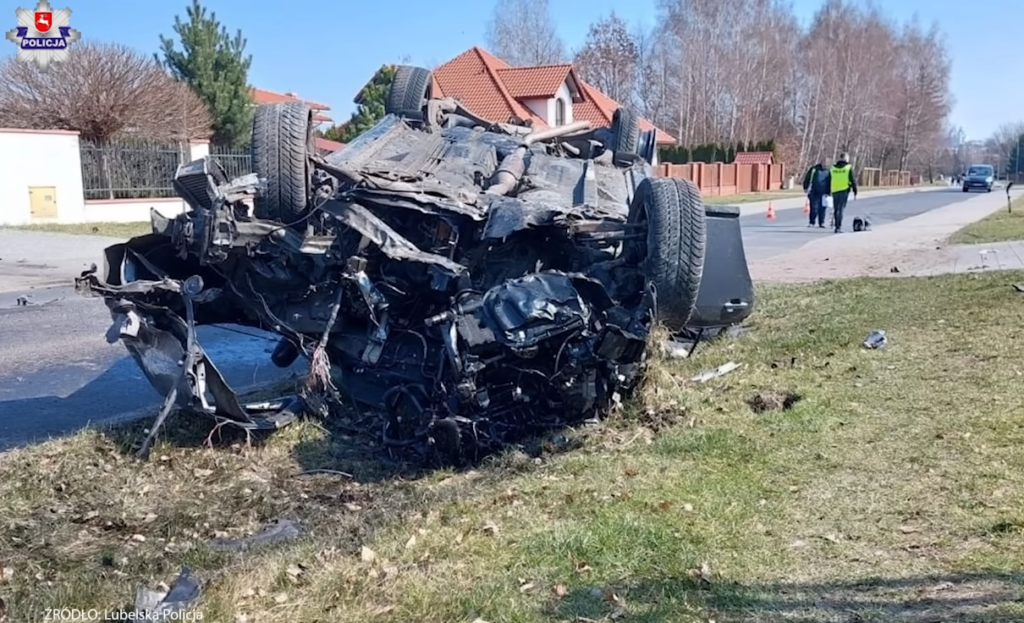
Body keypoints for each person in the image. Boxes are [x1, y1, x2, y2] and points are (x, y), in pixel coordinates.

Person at [829, 152, 858, 233]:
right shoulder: (848, 167)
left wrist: (828, 190)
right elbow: (852, 180)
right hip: (844, 190)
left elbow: (828, 179)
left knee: (836, 209)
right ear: (846, 158)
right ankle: (838, 226)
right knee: (841, 209)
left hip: (834, 190)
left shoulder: (833, 168)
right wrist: (855, 190)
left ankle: (836, 226)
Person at [801, 156, 831, 228]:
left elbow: (830, 182)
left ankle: (822, 222)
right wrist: (805, 187)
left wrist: (829, 192)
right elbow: (807, 178)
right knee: (814, 208)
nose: (825, 164)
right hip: (814, 192)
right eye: (824, 162)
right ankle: (812, 222)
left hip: (824, 193)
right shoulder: (814, 169)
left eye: (827, 163)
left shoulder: (829, 171)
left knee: (822, 209)